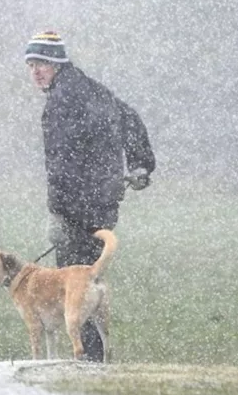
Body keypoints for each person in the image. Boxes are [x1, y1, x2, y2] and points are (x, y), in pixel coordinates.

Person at [23, 30, 155, 362]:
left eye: (43, 63)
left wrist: (61, 213)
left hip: (79, 210)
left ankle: (88, 364)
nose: (36, 71)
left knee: (73, 290)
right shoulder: (90, 89)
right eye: (31, 65)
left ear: (58, 64)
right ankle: (96, 360)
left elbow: (62, 163)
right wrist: (140, 164)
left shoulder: (62, 100)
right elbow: (131, 119)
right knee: (88, 283)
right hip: (102, 203)